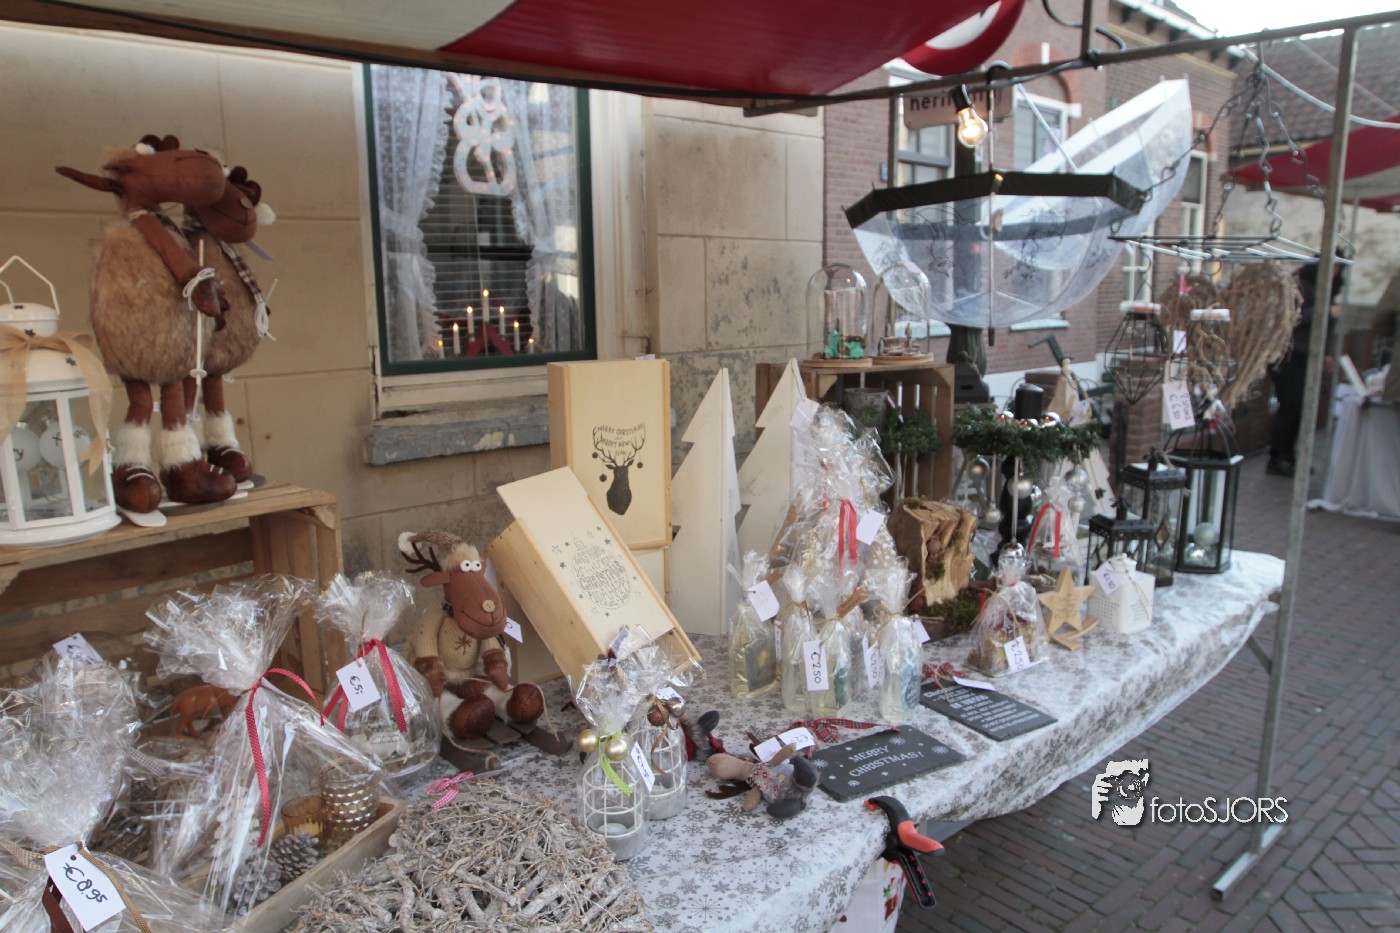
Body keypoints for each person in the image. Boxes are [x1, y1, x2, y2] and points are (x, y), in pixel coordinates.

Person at [1267, 260, 1344, 477]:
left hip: (1304, 355)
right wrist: (1326, 311)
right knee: (1291, 407)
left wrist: (1325, 350)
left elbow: (1323, 328)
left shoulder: (1323, 289)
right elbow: (1293, 319)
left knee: (1299, 408)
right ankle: (1279, 456)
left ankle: (1288, 454)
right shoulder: (1300, 286)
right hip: (1291, 356)